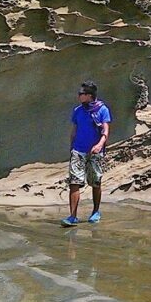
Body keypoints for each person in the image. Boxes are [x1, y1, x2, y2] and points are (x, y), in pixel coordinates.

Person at [62, 81, 111, 226]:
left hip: (95, 151)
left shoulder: (102, 110)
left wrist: (99, 145)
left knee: (95, 182)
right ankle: (72, 216)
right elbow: (74, 130)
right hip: (78, 150)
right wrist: (72, 147)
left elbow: (105, 131)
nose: (79, 96)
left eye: (81, 94)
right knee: (74, 182)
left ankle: (95, 211)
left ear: (89, 96)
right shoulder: (77, 110)